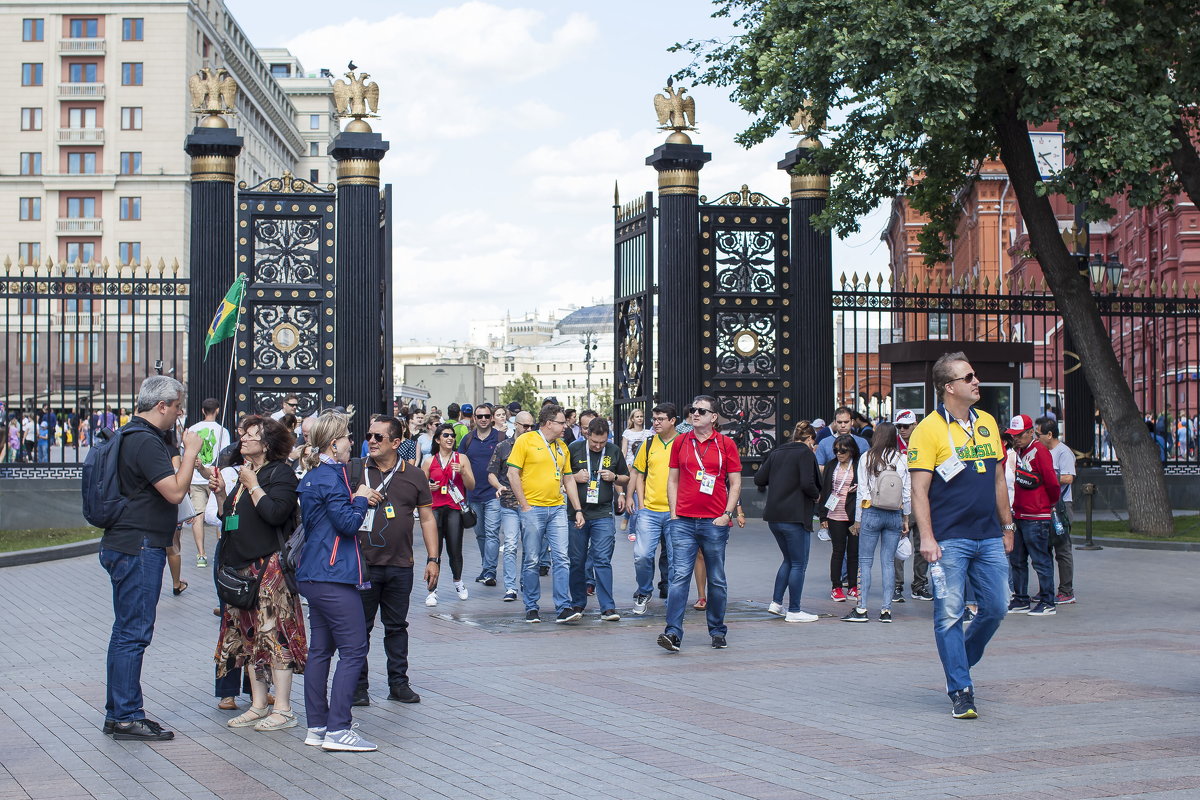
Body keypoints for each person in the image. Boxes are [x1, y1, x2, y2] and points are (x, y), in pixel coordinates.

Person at [909, 352, 1015, 719]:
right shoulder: (928, 430)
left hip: (988, 535)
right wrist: (927, 538)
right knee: (949, 614)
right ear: (949, 387)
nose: (976, 381)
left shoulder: (987, 422)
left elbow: (999, 478)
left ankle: (959, 663)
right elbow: (919, 490)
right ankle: (961, 689)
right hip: (949, 538)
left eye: (975, 375)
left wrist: (1008, 525)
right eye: (968, 377)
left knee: (998, 606)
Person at [99, 375, 202, 741]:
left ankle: (118, 712)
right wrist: (190, 451)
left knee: (124, 631)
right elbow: (174, 492)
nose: (179, 415)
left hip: (125, 542)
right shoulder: (145, 441)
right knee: (134, 633)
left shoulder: (130, 435)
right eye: (177, 407)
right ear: (162, 406)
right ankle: (127, 716)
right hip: (139, 546)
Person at [211, 415, 305, 732]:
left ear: (267, 443)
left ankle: (284, 708)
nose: (244, 439)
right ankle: (258, 704)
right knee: (250, 638)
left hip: (269, 567)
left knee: (274, 634)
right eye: (243, 434)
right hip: (242, 568)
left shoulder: (280, 474)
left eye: (251, 435)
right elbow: (230, 520)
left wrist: (253, 486)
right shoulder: (246, 474)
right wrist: (224, 493)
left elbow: (276, 513)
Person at [296, 411, 381, 752]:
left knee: (320, 651)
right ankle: (338, 729)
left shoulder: (315, 475)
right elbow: (347, 524)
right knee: (354, 649)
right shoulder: (333, 476)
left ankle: (318, 725)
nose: (352, 442)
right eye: (347, 437)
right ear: (334, 443)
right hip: (333, 574)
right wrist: (361, 496)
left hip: (315, 572)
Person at [352, 416, 440, 706]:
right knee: (359, 627)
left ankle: (398, 684)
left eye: (379, 437)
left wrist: (433, 559)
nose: (372, 441)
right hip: (361, 564)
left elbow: (427, 518)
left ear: (396, 442)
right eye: (369, 436)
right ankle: (358, 686)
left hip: (400, 564)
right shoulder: (355, 469)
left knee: (396, 627)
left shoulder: (413, 475)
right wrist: (357, 494)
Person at [657, 395, 742, 652]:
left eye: (701, 411)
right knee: (679, 576)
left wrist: (727, 514)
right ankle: (673, 632)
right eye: (692, 410)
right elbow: (672, 480)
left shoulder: (726, 444)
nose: (695, 414)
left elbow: (735, 483)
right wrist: (673, 513)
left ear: (713, 417)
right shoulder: (681, 441)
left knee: (716, 579)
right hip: (683, 520)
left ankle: (717, 630)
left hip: (714, 521)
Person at [507, 403, 586, 624]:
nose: (565, 426)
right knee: (532, 559)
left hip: (558, 508)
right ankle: (531, 606)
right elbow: (513, 473)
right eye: (561, 422)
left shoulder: (562, 446)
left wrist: (577, 509)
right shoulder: (526, 440)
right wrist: (524, 505)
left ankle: (563, 607)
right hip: (533, 508)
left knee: (562, 558)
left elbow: (568, 478)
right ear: (549, 423)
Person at [753, 420, 821, 622]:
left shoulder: (777, 452)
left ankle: (776, 603)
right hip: (795, 516)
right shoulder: (805, 453)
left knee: (789, 560)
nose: (813, 446)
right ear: (809, 439)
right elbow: (807, 483)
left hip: (775, 516)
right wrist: (816, 495)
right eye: (813, 442)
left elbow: (758, 479)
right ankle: (794, 610)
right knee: (799, 563)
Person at [843, 422, 911, 623]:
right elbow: (906, 492)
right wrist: (905, 516)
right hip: (894, 514)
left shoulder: (867, 458)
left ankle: (862, 609)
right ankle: (886, 610)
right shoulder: (901, 459)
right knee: (888, 562)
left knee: (865, 561)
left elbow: (861, 493)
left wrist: (858, 519)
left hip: (871, 512)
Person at [567, 417, 629, 620]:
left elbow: (625, 476)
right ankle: (577, 604)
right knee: (577, 560)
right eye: (595, 441)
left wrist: (615, 479)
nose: (598, 445)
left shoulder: (613, 450)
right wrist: (575, 477)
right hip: (577, 512)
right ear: (587, 434)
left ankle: (607, 607)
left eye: (602, 442)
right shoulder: (574, 449)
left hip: (603, 512)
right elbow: (561, 476)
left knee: (602, 559)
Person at [1004, 414, 1060, 617]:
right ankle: (1021, 599)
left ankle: (1047, 601)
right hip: (1020, 514)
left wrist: (1048, 503)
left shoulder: (1040, 451)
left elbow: (1053, 483)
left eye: (1019, 435)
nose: (1015, 439)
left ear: (1030, 433)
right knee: (1017, 560)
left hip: (1037, 515)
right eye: (1013, 435)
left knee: (1040, 560)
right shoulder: (1020, 451)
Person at [629, 403, 679, 615]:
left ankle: (674, 599)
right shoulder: (648, 443)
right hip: (649, 510)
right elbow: (639, 474)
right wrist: (640, 503)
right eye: (654, 419)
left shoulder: (683, 443)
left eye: (661, 419)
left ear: (672, 421)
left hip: (676, 512)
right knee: (642, 555)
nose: (655, 423)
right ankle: (644, 590)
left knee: (676, 558)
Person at [422, 422, 474, 605]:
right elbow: (421, 488)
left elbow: (471, 485)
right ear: (437, 439)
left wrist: (464, 472)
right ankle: (432, 590)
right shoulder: (429, 461)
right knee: (434, 551)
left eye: (452, 435)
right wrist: (428, 486)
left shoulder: (461, 459)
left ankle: (458, 581)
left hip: (454, 508)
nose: (450, 438)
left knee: (455, 549)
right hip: (435, 508)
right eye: (445, 435)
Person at [488, 411, 536, 602]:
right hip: (509, 503)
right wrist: (499, 486)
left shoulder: (536, 446)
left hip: (531, 502)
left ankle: (526, 580)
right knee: (510, 544)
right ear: (515, 425)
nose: (529, 429)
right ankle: (510, 587)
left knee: (530, 546)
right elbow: (491, 472)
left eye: (532, 426)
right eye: (525, 426)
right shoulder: (503, 447)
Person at [458, 403, 502, 587]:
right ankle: (486, 567)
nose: (483, 419)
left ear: (491, 418)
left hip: (494, 494)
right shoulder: (467, 440)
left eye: (486, 416)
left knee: (492, 533)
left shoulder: (501, 437)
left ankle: (490, 571)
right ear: (474, 418)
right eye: (479, 416)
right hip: (473, 495)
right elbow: (458, 463)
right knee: (480, 534)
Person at [1035, 417, 1077, 604]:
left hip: (1061, 506)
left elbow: (1068, 478)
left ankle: (1066, 590)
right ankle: (1047, 589)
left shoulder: (1063, 452)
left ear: (1050, 434)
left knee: (1062, 548)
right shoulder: (1042, 451)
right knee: (1045, 548)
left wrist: (1047, 478)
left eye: (1039, 434)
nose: (1036, 438)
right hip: (1045, 505)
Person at [891, 409, 930, 601]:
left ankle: (920, 584)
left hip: (921, 500)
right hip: (899, 503)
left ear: (915, 425)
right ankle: (897, 585)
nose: (902, 430)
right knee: (898, 546)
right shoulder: (892, 445)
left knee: (923, 545)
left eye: (906, 426)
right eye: (899, 426)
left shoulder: (924, 442)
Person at [818, 435, 861, 603]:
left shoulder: (858, 466)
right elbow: (824, 491)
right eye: (836, 450)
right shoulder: (831, 466)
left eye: (843, 450)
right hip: (834, 514)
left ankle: (852, 587)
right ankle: (836, 587)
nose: (839, 454)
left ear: (851, 450)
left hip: (854, 514)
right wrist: (822, 516)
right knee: (838, 551)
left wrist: (859, 487)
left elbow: (867, 487)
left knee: (854, 552)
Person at [187, 398, 229, 569]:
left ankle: (201, 553)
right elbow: (225, 456)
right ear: (217, 410)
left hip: (196, 479)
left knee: (199, 515)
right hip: (213, 476)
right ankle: (220, 550)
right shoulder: (222, 431)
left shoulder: (194, 429)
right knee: (219, 512)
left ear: (203, 411)